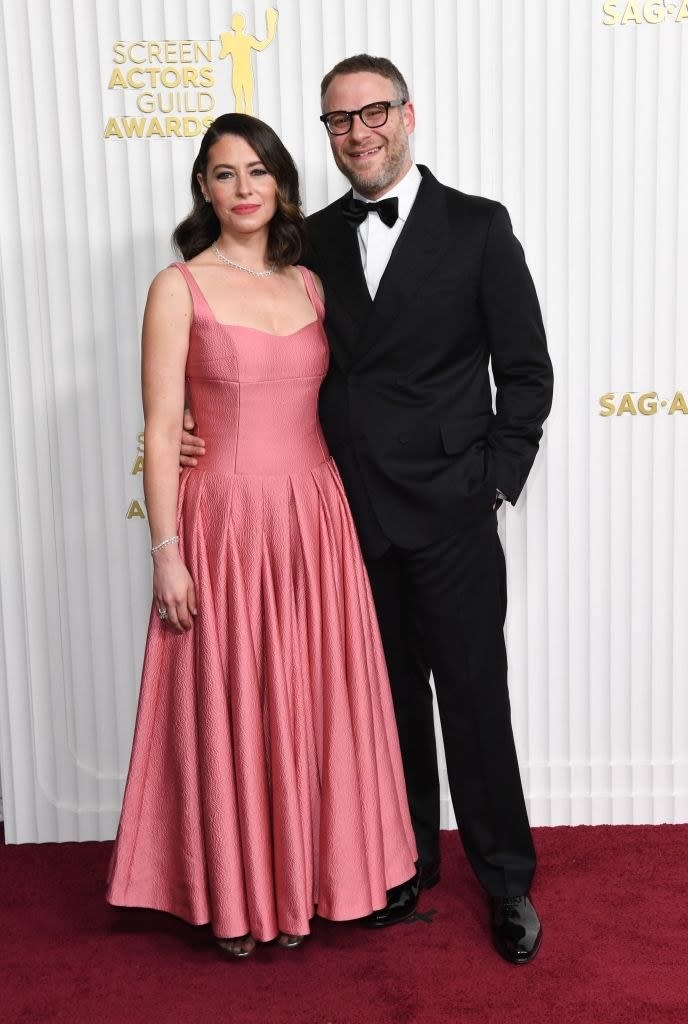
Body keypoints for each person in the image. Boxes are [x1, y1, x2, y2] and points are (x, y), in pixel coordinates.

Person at [182, 56, 554, 964]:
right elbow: (263, 346)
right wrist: (198, 421)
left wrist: (493, 482)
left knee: (472, 699)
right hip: (348, 517)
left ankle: (506, 882)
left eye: (372, 113)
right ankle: (403, 863)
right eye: (339, 121)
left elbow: (528, 373)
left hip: (454, 514)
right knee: (382, 707)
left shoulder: (477, 226)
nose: (359, 133)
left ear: (406, 114)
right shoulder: (306, 244)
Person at [107, 112, 417, 959]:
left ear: (280, 181)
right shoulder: (178, 286)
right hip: (226, 524)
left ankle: (313, 882)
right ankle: (240, 896)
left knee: (308, 703)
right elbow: (162, 427)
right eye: (223, 174)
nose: (243, 189)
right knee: (234, 704)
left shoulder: (311, 285)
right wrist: (165, 552)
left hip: (315, 521)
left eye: (257, 171)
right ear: (203, 190)